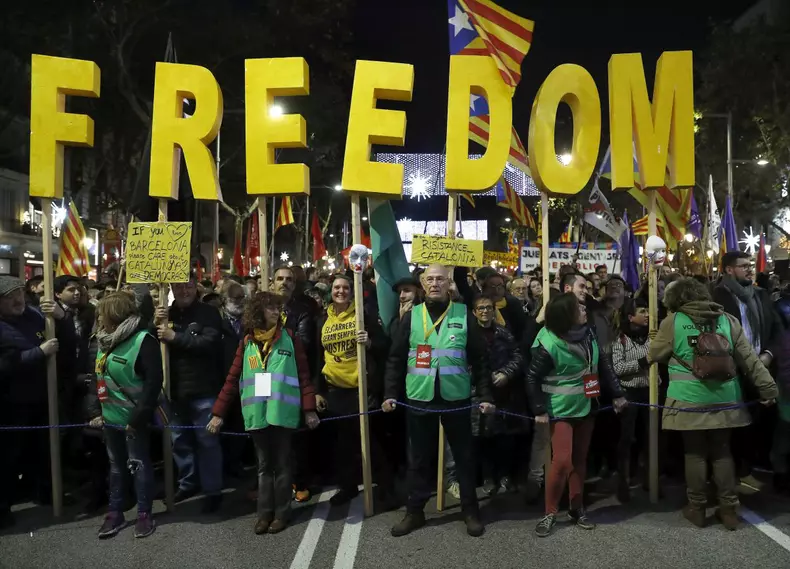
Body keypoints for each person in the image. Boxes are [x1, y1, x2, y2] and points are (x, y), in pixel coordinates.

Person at [649, 278, 777, 530]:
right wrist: (768, 388)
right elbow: (750, 360)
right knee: (722, 452)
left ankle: (697, 508)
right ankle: (728, 509)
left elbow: (654, 355)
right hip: (725, 399)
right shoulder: (727, 320)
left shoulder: (673, 322)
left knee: (694, 453)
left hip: (688, 399)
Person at [383, 264, 494, 538]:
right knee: (419, 460)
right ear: (423, 283)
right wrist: (389, 394)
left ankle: (470, 510)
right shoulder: (412, 316)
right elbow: (395, 358)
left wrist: (486, 395)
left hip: (456, 397)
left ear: (449, 284)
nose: (435, 284)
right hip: (420, 397)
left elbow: (480, 360)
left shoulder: (463, 314)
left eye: (440, 279)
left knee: (465, 459)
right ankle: (415, 512)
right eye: (430, 279)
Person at [208, 291, 319, 534]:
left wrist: (309, 409)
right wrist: (218, 413)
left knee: (282, 465)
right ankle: (263, 514)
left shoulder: (290, 338)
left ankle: (281, 514)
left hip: (282, 413)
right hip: (257, 414)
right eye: (270, 308)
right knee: (263, 466)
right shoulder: (246, 342)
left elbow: (303, 376)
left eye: (277, 308)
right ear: (258, 312)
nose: (276, 312)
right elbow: (232, 379)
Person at [526, 293, 627, 537]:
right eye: (578, 307)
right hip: (559, 409)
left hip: (587, 404)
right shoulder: (548, 342)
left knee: (580, 460)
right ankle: (550, 512)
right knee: (561, 462)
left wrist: (617, 393)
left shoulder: (588, 333)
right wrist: (538, 409)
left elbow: (603, 364)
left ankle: (576, 508)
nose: (584, 309)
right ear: (566, 316)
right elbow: (531, 378)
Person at [0, 276, 76, 523]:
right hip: (10, 402)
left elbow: (65, 342)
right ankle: (2, 507)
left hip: (43, 395)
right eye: (10, 297)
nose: (17, 300)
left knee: (46, 448)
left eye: (19, 293)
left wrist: (61, 317)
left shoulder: (33, 314)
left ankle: (47, 491)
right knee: (9, 456)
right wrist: (38, 353)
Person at [87, 292, 163, 539]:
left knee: (138, 465)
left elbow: (152, 385)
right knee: (116, 468)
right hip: (109, 420)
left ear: (114, 315)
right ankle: (115, 512)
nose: (98, 318)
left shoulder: (144, 341)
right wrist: (95, 412)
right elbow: (98, 379)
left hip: (133, 422)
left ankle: (144, 513)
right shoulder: (103, 341)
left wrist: (136, 420)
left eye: (101, 313)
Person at [315, 275, 395, 507]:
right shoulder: (322, 319)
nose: (341, 291)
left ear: (353, 291)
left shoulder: (363, 316)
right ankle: (347, 486)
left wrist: (370, 342)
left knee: (371, 442)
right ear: (331, 291)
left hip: (362, 388)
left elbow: (384, 346)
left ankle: (386, 487)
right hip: (336, 389)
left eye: (346, 287)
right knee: (343, 445)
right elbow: (316, 357)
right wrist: (319, 390)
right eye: (337, 287)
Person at [713, 251, 782, 488]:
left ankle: (749, 467)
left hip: (760, 366)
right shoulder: (716, 296)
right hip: (730, 369)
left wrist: (768, 355)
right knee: (733, 423)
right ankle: (731, 471)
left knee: (758, 421)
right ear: (729, 270)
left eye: (750, 265)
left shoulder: (761, 296)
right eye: (744, 266)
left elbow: (776, 330)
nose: (750, 269)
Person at [155, 278, 225, 512]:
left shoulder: (208, 313)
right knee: (180, 443)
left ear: (196, 288)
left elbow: (209, 343)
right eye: (178, 286)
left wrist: (175, 337)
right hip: (173, 392)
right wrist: (153, 324)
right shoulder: (166, 315)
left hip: (203, 389)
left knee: (207, 442)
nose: (183, 290)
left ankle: (213, 489)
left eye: (188, 286)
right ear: (172, 289)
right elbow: (149, 343)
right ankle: (188, 483)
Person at [469, 294, 525, 496]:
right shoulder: (468, 334)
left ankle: (504, 475)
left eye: (488, 307)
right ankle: (488, 477)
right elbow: (462, 362)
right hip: (478, 393)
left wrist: (506, 374)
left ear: (494, 310)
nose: (485, 311)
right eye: (481, 308)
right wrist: (482, 377)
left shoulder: (504, 333)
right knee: (482, 438)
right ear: (475, 312)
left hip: (503, 393)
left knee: (504, 439)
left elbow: (518, 356)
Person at [272, 266, 316, 500]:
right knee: (266, 429)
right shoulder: (262, 307)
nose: (284, 283)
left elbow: (305, 342)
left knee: (295, 434)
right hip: (264, 379)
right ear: (272, 282)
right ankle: (269, 480)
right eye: (280, 278)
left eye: (289, 279)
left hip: (292, 378)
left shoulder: (301, 311)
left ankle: (299, 481)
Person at [611, 297, 652, 503]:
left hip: (650, 393)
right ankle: (623, 481)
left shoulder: (653, 337)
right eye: (642, 310)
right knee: (627, 439)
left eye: (647, 310)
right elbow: (618, 367)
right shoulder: (621, 339)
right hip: (629, 393)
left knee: (650, 437)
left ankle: (650, 478)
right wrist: (642, 362)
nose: (647, 314)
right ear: (630, 316)